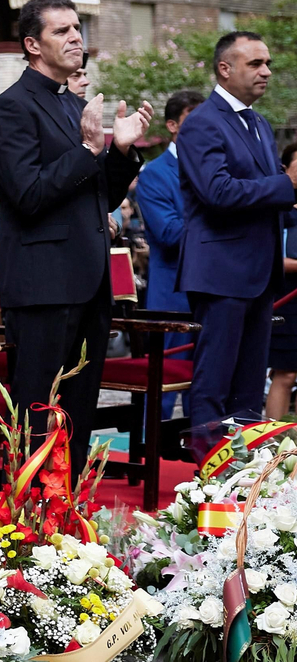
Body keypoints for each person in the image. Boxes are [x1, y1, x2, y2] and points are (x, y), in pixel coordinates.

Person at [0, 0, 150, 471]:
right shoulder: (13, 106)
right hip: (44, 285)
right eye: (62, 30)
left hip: (89, 280)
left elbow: (100, 195)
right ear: (33, 44)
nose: (76, 36)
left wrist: (118, 152)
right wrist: (87, 150)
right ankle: (26, 524)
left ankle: (68, 521)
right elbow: (28, 195)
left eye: (77, 27)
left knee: (77, 414)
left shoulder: (68, 103)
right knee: (40, 415)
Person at [176, 31, 297, 457]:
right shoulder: (202, 123)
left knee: (249, 384)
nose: (266, 71)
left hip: (260, 272)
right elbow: (217, 192)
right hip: (221, 271)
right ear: (225, 69)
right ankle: (208, 477)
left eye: (267, 63)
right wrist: (287, 184)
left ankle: (245, 475)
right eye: (255, 64)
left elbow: (269, 196)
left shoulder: (259, 122)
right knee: (214, 382)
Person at [135, 90, 205, 423]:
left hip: (213, 289)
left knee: (207, 383)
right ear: (173, 125)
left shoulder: (216, 167)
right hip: (173, 293)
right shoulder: (155, 173)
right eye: (195, 119)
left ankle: (204, 450)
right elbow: (168, 234)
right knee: (164, 383)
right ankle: (152, 452)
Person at [267, 175, 297, 420]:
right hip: (286, 300)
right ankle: (272, 445)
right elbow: (274, 258)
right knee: (285, 373)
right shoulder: (282, 209)